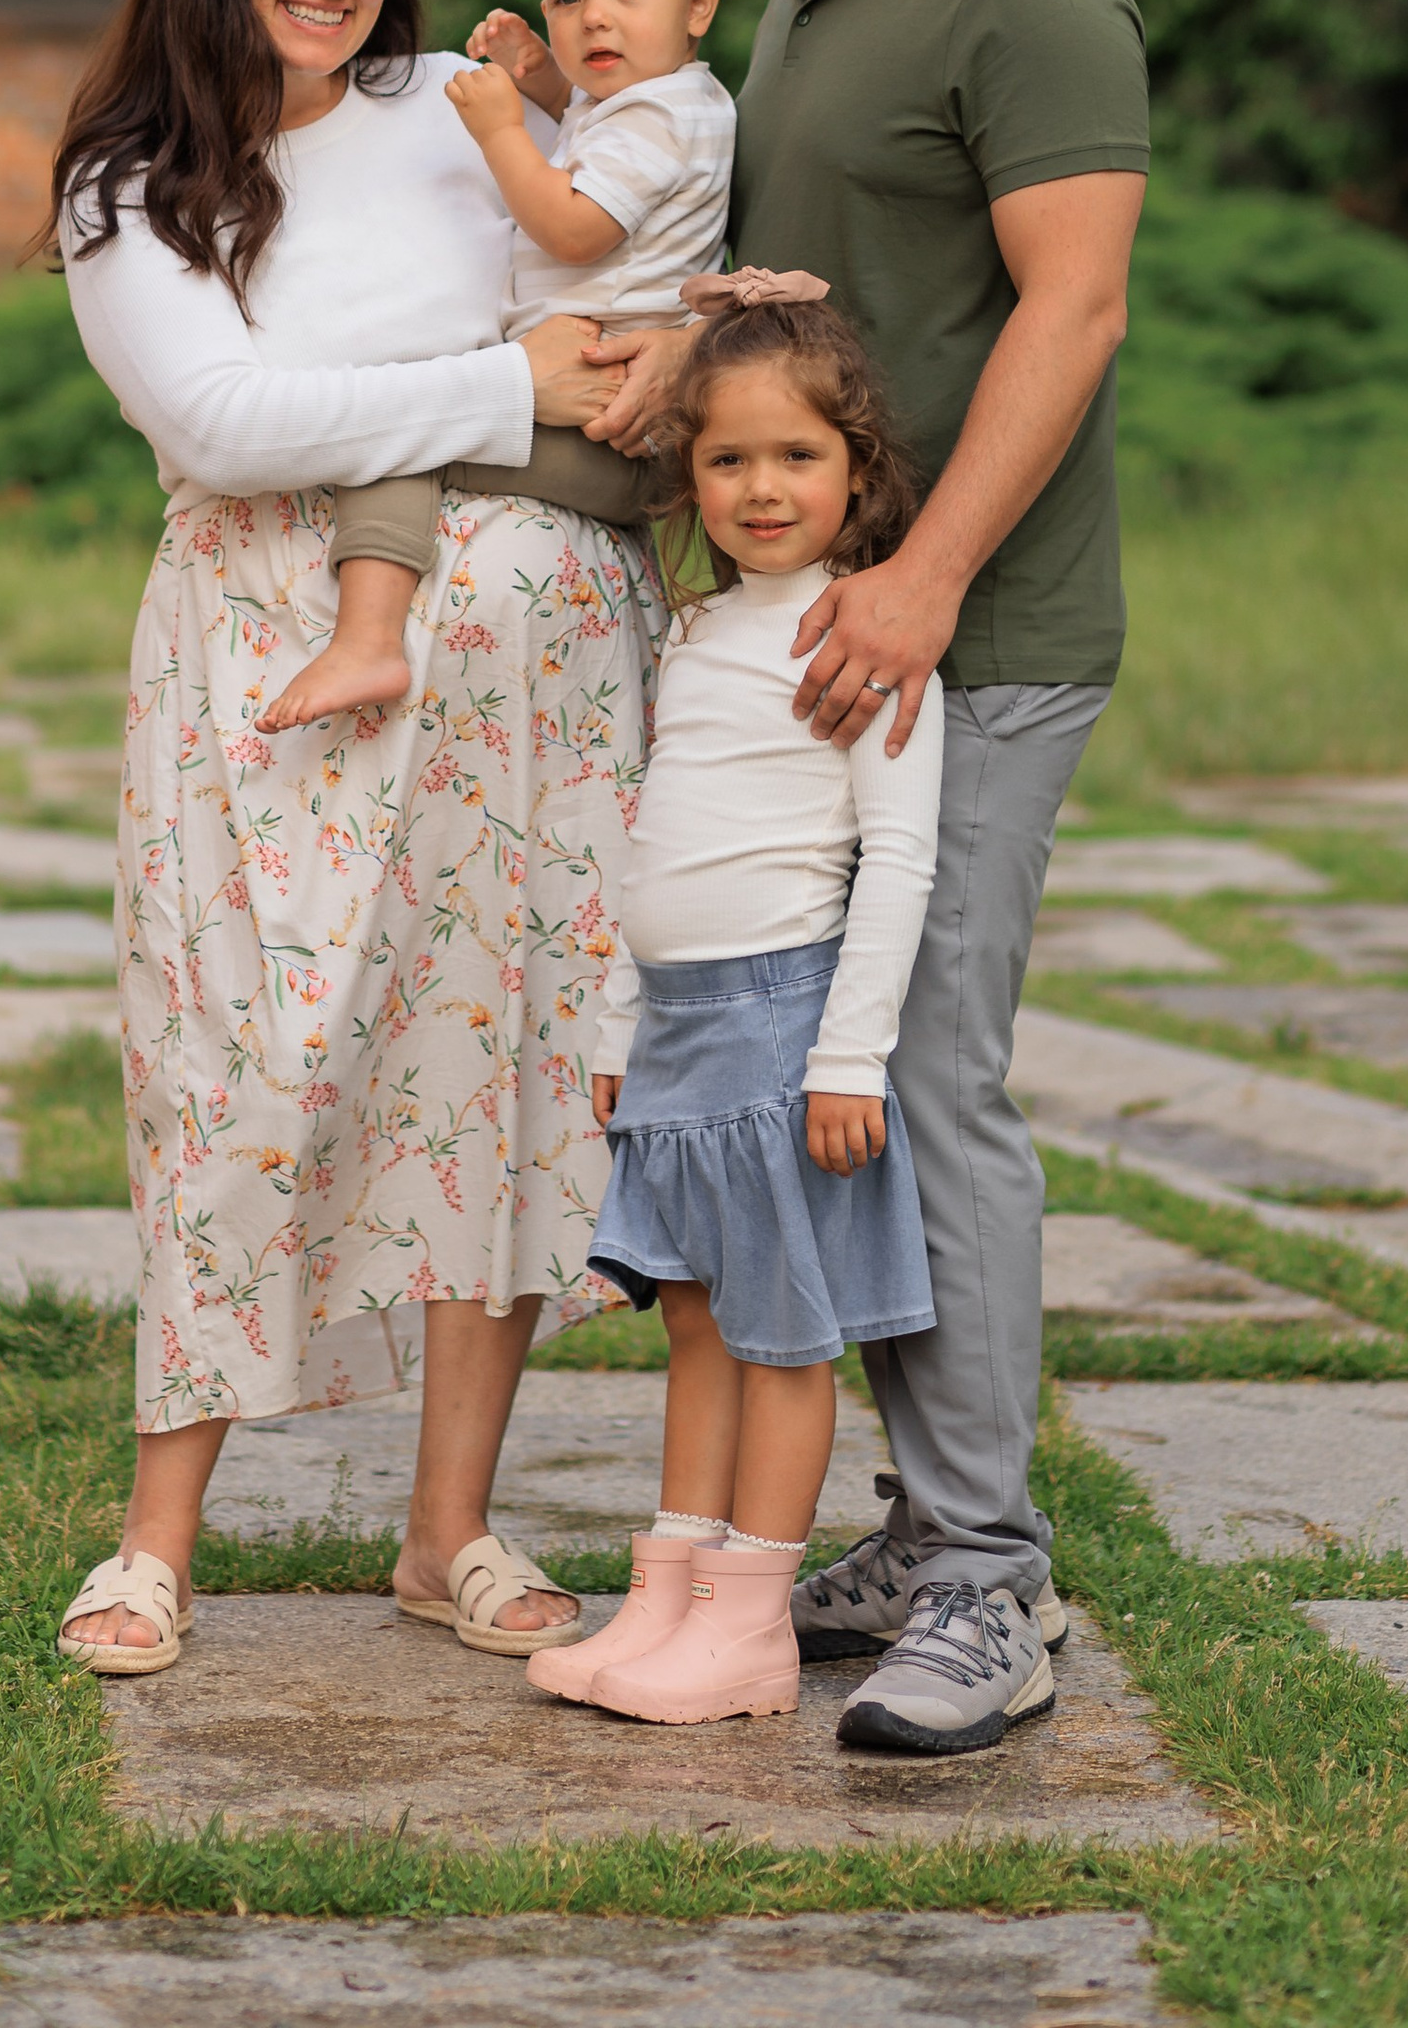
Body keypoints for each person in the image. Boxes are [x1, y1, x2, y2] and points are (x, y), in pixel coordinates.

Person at [584, 0, 1149, 1758]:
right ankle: (920, 1527)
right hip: (827, 639)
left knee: (919, 1078)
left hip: (964, 640)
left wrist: (914, 580)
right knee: (846, 1100)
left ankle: (991, 1582)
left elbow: (1068, 311)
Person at [47, 0, 655, 1675]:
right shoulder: (129, 186)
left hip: (527, 677)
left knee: (502, 1079)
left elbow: (605, 285)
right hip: (267, 658)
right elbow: (223, 426)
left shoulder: (452, 120)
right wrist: (494, 383)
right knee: (243, 1069)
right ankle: (155, 1542)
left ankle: (449, 1532)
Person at [525, 287, 964, 1733]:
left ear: (859, 472)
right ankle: (672, 1592)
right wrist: (609, 1030)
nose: (761, 489)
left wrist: (851, 1055)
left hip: (784, 1032)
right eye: (727, 462)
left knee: (781, 1341)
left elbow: (897, 855)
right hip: (679, 1029)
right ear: (689, 479)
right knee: (697, 1330)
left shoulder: (865, 633)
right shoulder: (702, 629)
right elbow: (651, 843)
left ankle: (753, 1627)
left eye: (796, 458)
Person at [258, 0, 733, 734]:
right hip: (595, 409)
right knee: (418, 415)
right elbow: (592, 127)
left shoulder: (665, 118)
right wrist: (543, 76)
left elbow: (575, 226)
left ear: (697, 5)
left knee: (399, 438)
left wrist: (502, 130)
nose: (596, 21)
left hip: (613, 427)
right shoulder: (646, 99)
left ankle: (366, 640)